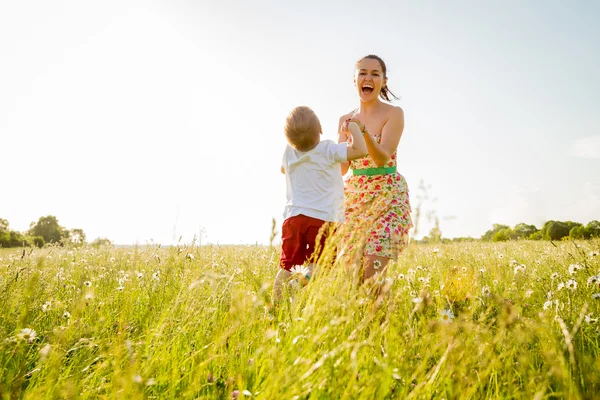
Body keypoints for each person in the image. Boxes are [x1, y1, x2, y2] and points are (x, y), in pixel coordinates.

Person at [274, 106, 368, 301]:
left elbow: (283, 170)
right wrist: (353, 129)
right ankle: (298, 284)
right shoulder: (328, 149)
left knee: (287, 266)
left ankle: (274, 308)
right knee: (322, 264)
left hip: (293, 218)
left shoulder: (288, 152)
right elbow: (361, 150)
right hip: (323, 219)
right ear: (320, 130)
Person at [338, 54, 413, 283]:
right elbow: (342, 169)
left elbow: (382, 158)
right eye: (362, 73)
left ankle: (381, 317)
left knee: (373, 274)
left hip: (388, 196)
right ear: (354, 80)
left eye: (375, 74)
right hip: (354, 200)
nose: (367, 78)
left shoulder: (394, 113)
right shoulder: (345, 118)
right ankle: (367, 318)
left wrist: (361, 132)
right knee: (354, 277)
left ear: (384, 81)